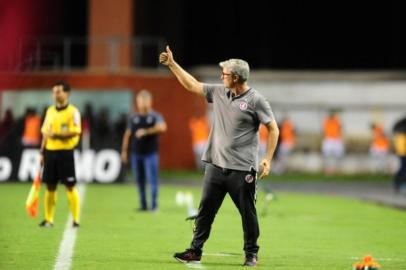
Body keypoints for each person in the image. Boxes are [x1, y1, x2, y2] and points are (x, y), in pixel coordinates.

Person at [159, 46, 279, 267]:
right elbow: (192, 85)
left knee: (247, 214)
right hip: (215, 165)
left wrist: (268, 159)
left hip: (242, 169)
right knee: (205, 210)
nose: (220, 76)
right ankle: (195, 250)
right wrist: (172, 65)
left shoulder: (256, 101)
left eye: (224, 73)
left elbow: (273, 129)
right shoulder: (219, 92)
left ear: (235, 77)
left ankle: (251, 254)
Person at [39, 81, 81, 228]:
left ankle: (75, 220)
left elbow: (76, 131)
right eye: (54, 92)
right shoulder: (50, 111)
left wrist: (56, 134)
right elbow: (45, 132)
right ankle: (48, 219)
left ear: (67, 93)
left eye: (58, 91)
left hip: (65, 153)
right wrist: (41, 151)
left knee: (70, 185)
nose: (55, 95)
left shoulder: (73, 112)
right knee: (50, 186)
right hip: (50, 153)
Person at [121, 90, 167, 211]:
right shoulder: (134, 117)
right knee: (139, 179)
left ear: (150, 102)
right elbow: (127, 135)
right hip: (136, 154)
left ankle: (154, 205)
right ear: (137, 102)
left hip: (150, 154)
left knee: (152, 179)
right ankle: (143, 205)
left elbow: (162, 127)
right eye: (141, 101)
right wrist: (124, 151)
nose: (142, 104)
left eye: (145, 101)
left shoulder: (155, 116)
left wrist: (146, 131)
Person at [322, 110, 345, 174]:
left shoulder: (337, 120)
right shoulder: (327, 120)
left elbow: (340, 128)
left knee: (338, 155)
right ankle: (328, 169)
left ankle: (338, 168)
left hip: (336, 139)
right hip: (329, 139)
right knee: (327, 155)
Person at [393, 116, 406, 192]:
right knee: (403, 168)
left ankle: (399, 183)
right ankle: (399, 183)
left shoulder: (399, 134)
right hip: (403, 153)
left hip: (401, 152)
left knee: (403, 168)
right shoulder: (402, 135)